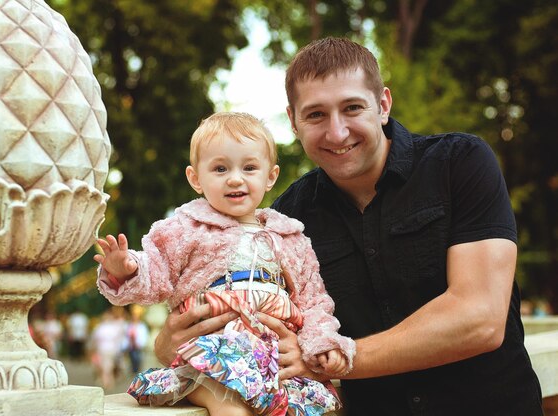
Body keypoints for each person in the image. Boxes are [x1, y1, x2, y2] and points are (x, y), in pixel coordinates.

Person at [153, 38, 543, 415]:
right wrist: (170, 342)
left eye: (352, 108)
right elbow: (249, 310)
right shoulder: (286, 220)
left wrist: (334, 361)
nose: (337, 132)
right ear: (293, 121)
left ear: (383, 104)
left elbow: (479, 319)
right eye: (316, 114)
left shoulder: (459, 163)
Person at [94, 112, 355, 415]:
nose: (235, 178)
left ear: (270, 176)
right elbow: (157, 269)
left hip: (275, 357)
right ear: (196, 178)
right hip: (216, 350)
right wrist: (127, 269)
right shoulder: (186, 228)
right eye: (220, 168)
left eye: (249, 168)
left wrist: (323, 343)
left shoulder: (290, 236)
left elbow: (314, 301)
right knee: (228, 404)